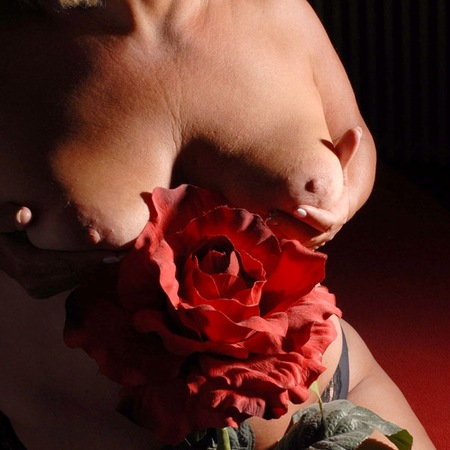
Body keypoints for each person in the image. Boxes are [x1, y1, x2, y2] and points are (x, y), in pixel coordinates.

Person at [0, 0, 434, 449]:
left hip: (329, 401)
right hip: (82, 430)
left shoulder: (276, 9)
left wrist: (342, 200)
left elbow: (354, 135)